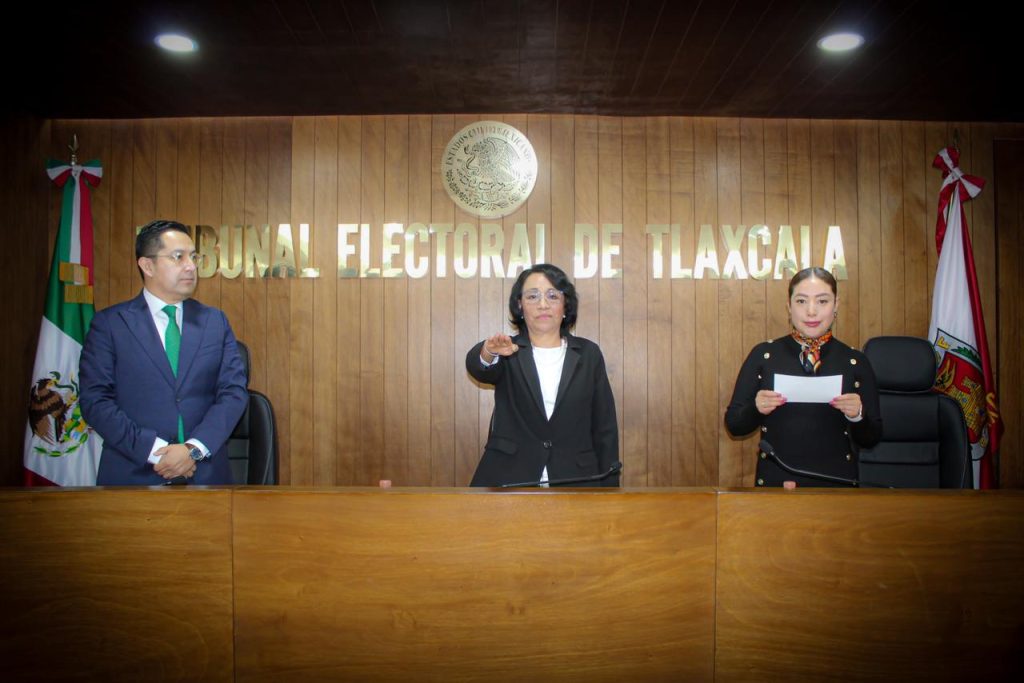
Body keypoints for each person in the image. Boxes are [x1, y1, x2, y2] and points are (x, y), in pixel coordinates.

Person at [80, 219, 247, 485]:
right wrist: (155, 451)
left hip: (205, 476)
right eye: (178, 257)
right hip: (133, 475)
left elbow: (233, 392)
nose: (191, 266)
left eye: (193, 257)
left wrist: (193, 449)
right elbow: (95, 400)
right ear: (147, 265)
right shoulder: (110, 324)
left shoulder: (215, 321)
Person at [725, 267, 882, 487]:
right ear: (789, 306)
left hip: (838, 485)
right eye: (801, 301)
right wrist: (756, 408)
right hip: (777, 484)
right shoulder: (764, 355)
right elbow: (734, 425)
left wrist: (858, 415)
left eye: (822, 301)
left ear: (836, 305)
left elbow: (872, 439)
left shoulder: (855, 361)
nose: (811, 311)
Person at [466, 264, 619, 487]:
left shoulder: (588, 354)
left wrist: (610, 484)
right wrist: (489, 351)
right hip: (509, 477)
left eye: (552, 296)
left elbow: (604, 426)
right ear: (520, 305)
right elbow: (478, 367)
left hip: (577, 478)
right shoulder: (507, 350)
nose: (543, 304)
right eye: (533, 296)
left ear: (565, 305)